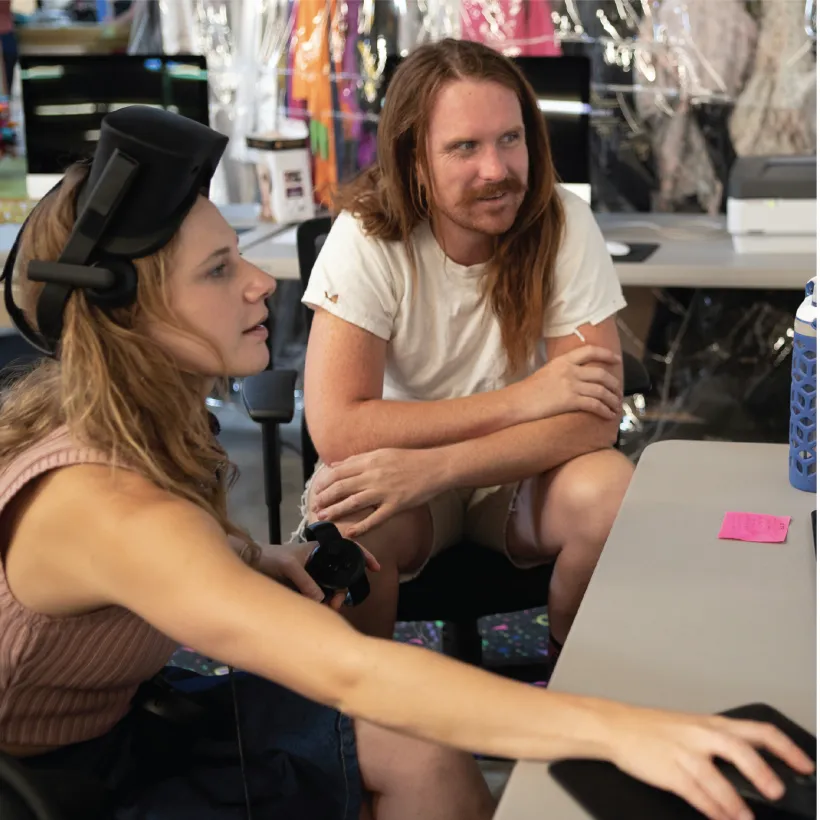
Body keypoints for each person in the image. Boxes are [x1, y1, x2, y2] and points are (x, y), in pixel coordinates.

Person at [0, 106, 811, 820]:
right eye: (219, 271)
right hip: (63, 780)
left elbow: (148, 567)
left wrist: (254, 554)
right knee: (407, 726)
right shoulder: (106, 503)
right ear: (131, 320)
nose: (259, 285)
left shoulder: (140, 429)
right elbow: (354, 673)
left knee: (423, 752)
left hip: (128, 715)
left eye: (239, 256)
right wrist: (625, 730)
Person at [301, 39, 631, 665]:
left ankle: (572, 686)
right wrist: (528, 399)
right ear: (415, 159)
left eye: (510, 139)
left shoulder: (563, 221)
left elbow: (593, 419)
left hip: (516, 473)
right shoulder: (367, 235)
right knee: (349, 525)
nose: (497, 169)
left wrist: (440, 466)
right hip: (400, 476)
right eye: (464, 147)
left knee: (612, 491)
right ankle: (361, 728)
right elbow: (340, 428)